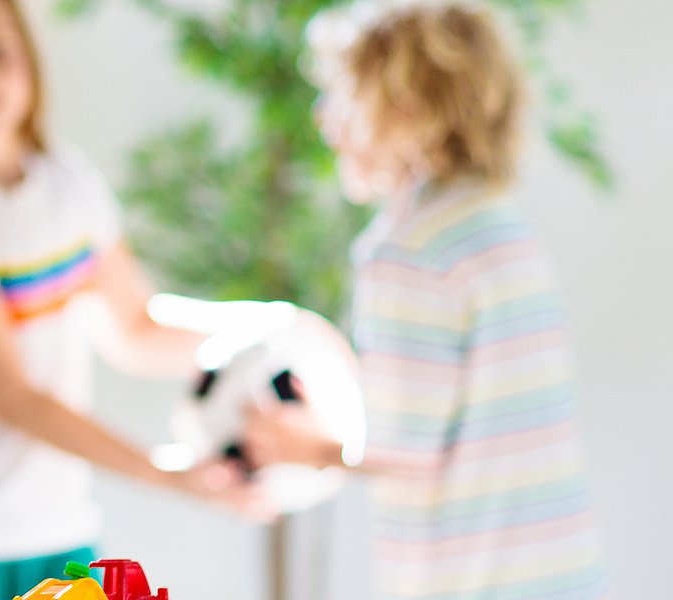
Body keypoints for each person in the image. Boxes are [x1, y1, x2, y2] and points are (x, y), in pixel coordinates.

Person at [0, 0, 319, 597]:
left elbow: (136, 327)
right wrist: (168, 474)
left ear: (26, 56)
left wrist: (272, 327)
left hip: (61, 534)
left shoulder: (67, 184)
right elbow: (13, 398)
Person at [241, 3, 612, 599]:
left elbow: (402, 447)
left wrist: (298, 445)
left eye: (341, 96)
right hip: (566, 575)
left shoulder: (406, 250)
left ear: (405, 109)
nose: (323, 117)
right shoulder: (501, 226)